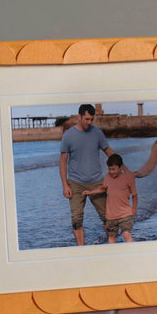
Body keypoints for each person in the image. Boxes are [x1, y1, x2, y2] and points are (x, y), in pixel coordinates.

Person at [59, 104, 114, 246]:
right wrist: (65, 185)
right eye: (87, 119)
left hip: (97, 181)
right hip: (75, 183)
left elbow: (109, 152)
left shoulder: (97, 133)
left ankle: (112, 248)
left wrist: (124, 169)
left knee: (107, 218)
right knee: (76, 220)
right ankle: (81, 251)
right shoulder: (68, 135)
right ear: (79, 117)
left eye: (91, 119)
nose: (89, 122)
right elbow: (63, 161)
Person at [82, 154, 137, 244]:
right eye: (109, 169)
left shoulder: (128, 178)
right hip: (111, 215)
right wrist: (90, 192)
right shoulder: (108, 176)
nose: (111, 172)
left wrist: (134, 208)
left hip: (125, 213)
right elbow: (103, 188)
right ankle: (113, 253)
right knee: (111, 237)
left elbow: (134, 195)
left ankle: (131, 251)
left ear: (121, 167)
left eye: (113, 169)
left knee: (126, 234)